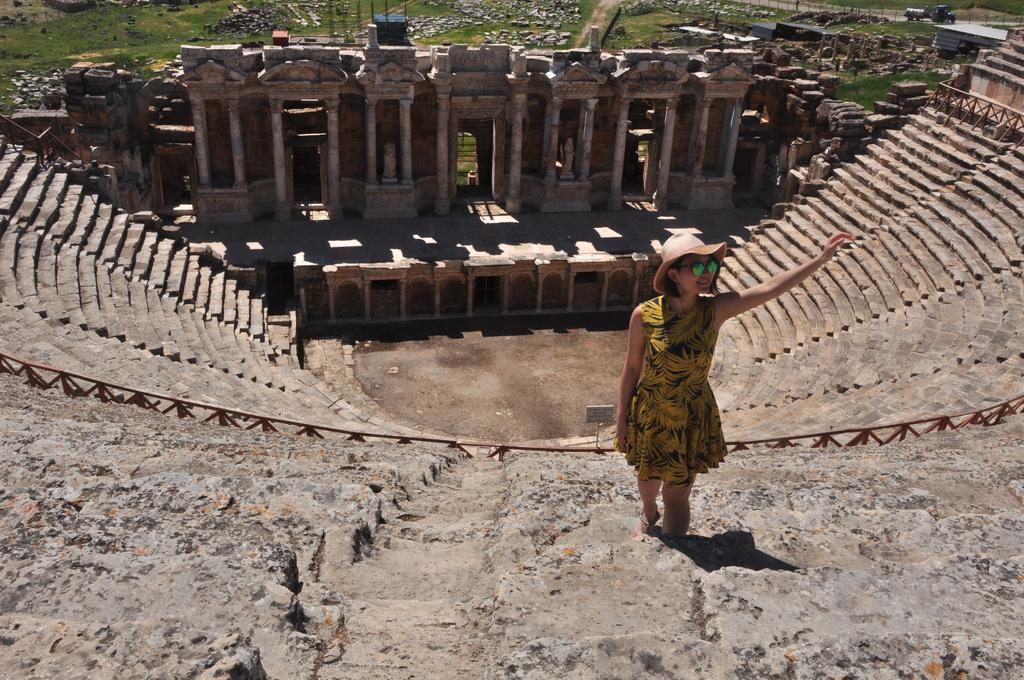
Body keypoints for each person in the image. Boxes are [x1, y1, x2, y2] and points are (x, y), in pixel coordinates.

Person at [614, 230, 854, 539]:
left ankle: (674, 554)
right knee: (648, 481)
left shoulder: (714, 310)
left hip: (691, 414)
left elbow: (770, 288)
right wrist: (621, 418)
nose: (707, 273)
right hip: (652, 411)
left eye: (710, 266)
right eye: (697, 267)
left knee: (677, 497)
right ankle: (648, 511)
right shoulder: (643, 315)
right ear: (673, 273)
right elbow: (632, 368)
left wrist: (820, 259)